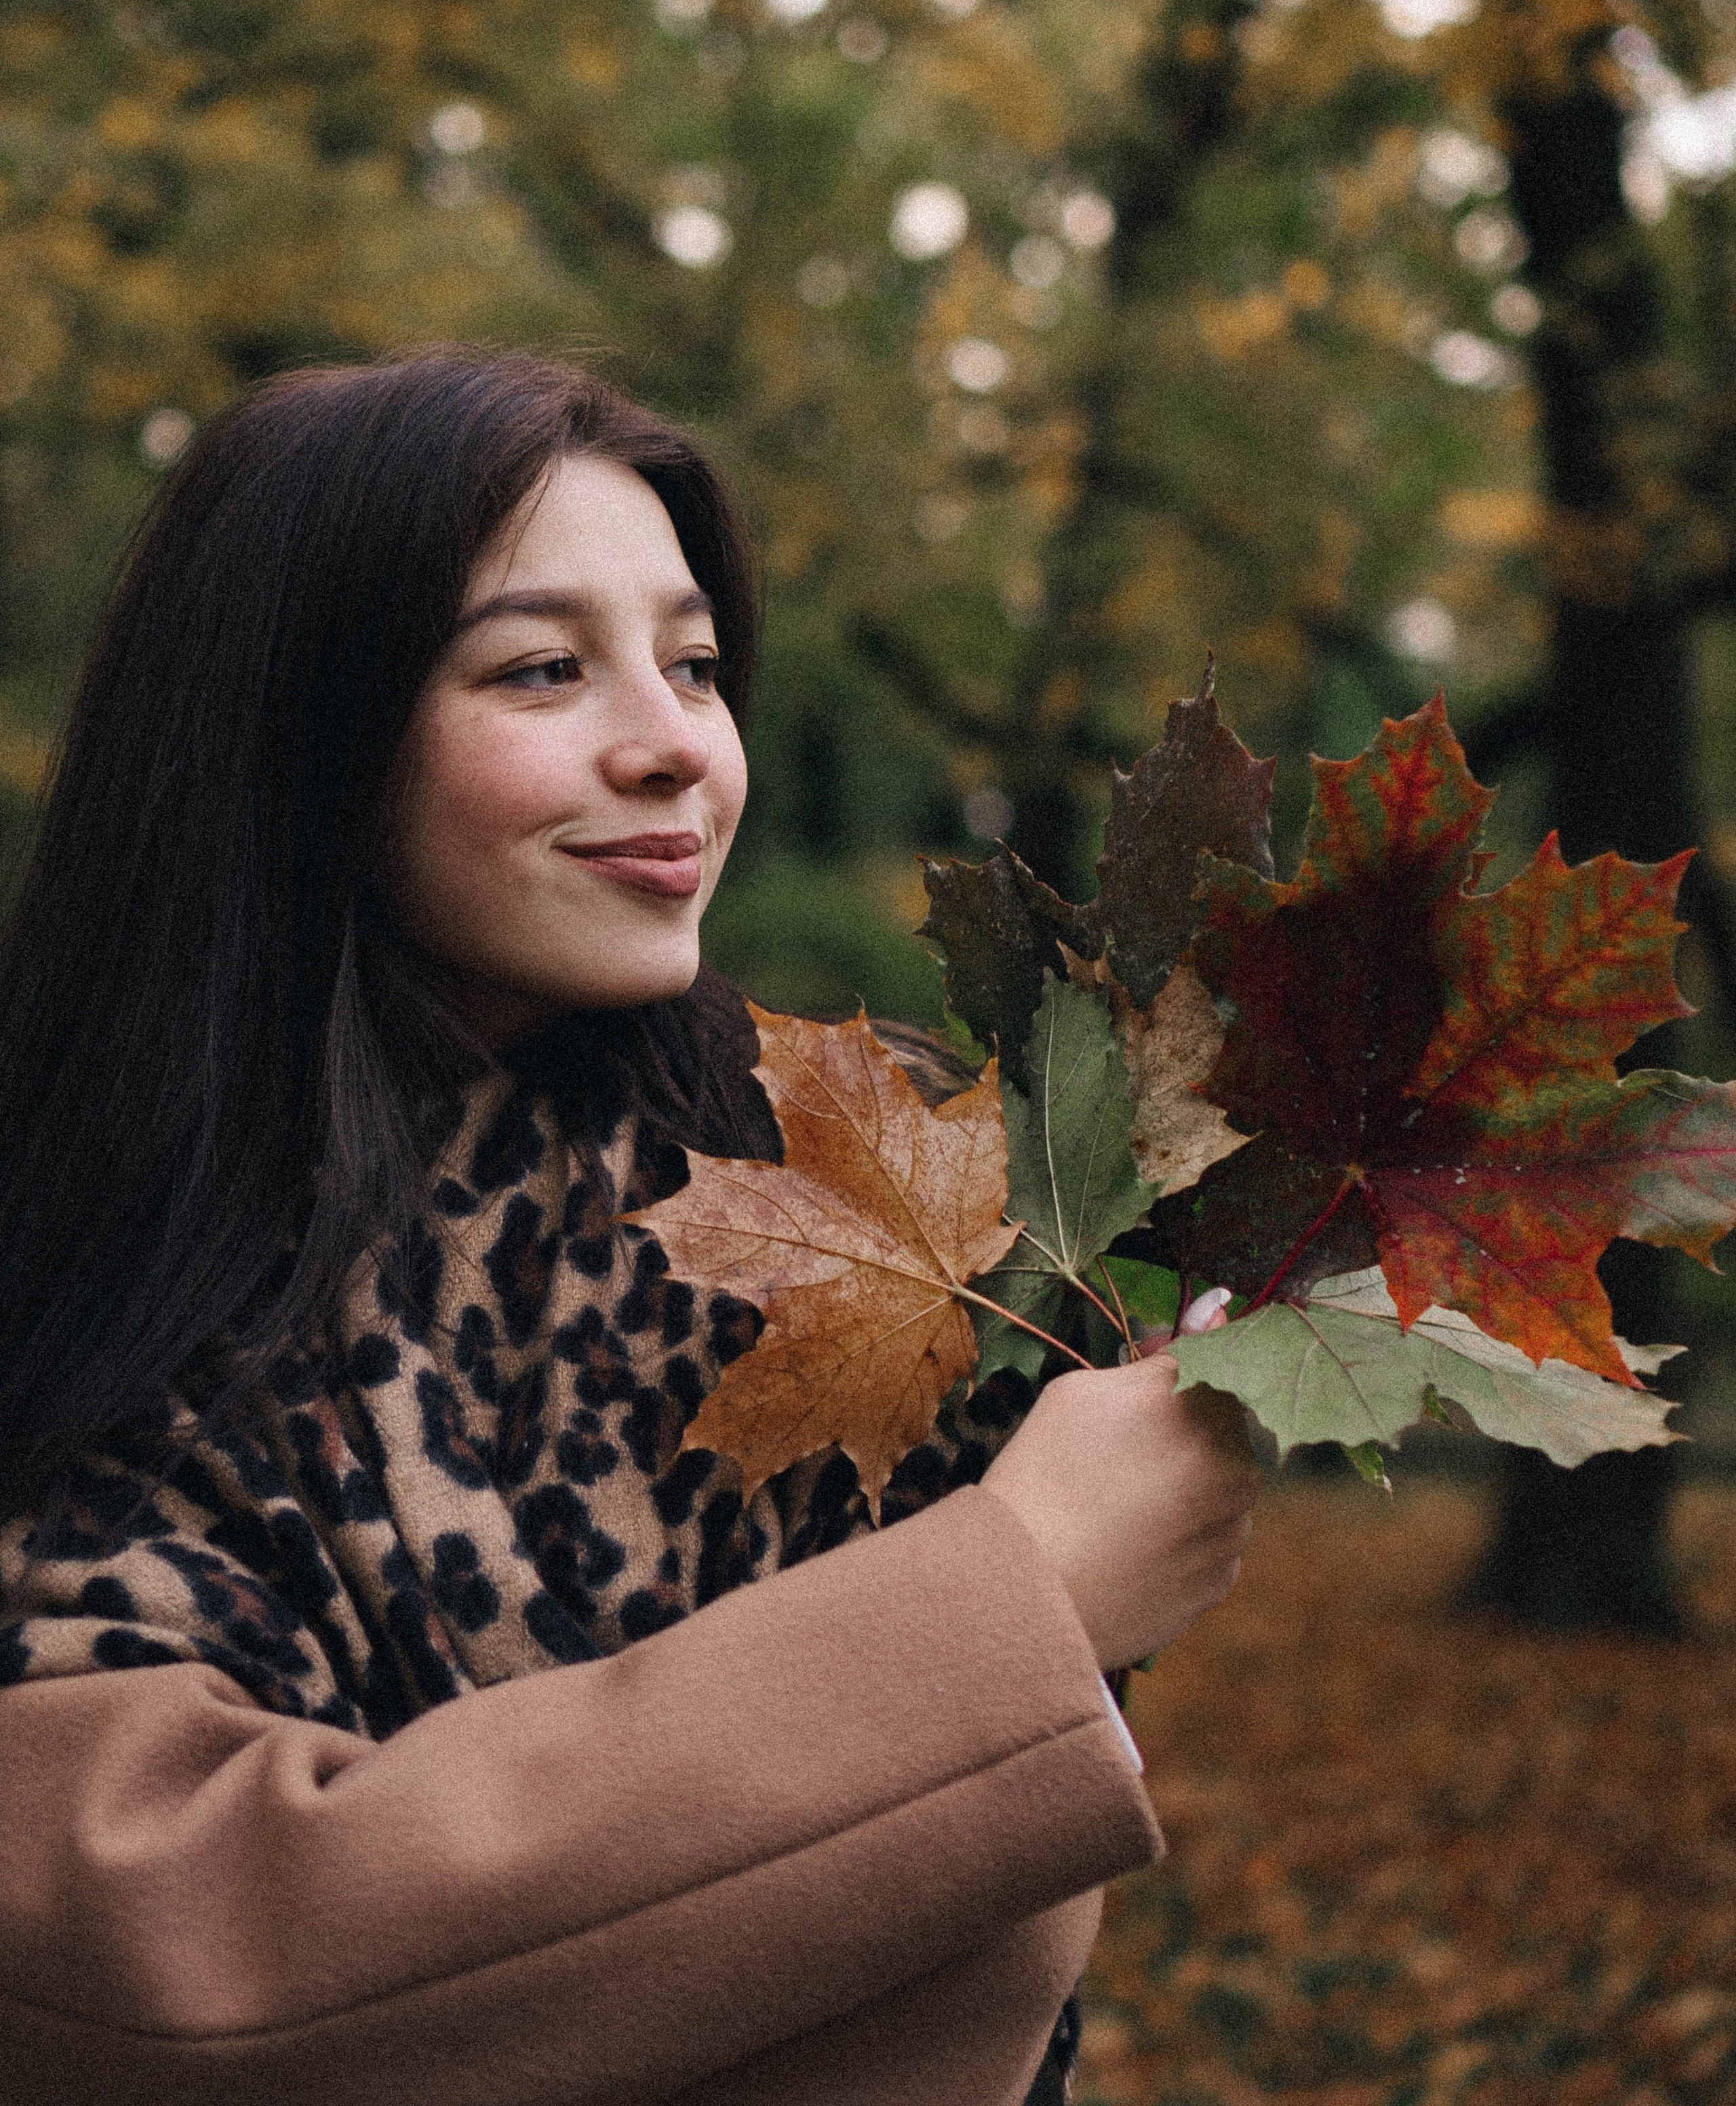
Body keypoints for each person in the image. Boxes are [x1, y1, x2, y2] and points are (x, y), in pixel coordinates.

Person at [0, 349, 1257, 2106]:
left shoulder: (856, 1205)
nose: (675, 746)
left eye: (696, 665)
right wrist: (1013, 1604)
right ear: (302, 734)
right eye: (541, 667)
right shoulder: (106, 1275)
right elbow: (171, 1970)